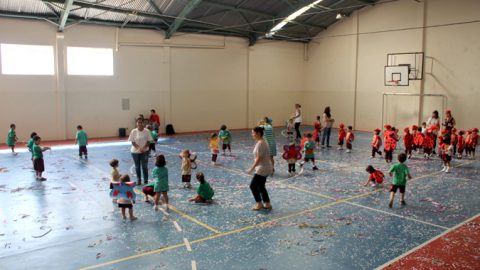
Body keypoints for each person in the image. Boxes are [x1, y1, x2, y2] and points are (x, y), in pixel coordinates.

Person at [247, 126, 273, 211]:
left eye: (253, 133)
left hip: (262, 168)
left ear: (258, 133)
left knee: (253, 186)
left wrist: (251, 168)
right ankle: (267, 203)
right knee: (261, 186)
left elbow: (259, 158)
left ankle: (259, 203)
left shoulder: (261, 143)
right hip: (265, 167)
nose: (252, 135)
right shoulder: (261, 142)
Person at [128, 118, 152, 185]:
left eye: (141, 122)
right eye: (138, 122)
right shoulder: (133, 131)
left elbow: (149, 141)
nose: (140, 124)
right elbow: (133, 142)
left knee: (144, 166)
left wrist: (144, 148)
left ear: (143, 123)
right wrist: (139, 148)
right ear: (136, 123)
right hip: (135, 152)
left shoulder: (147, 131)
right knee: (137, 167)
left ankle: (146, 181)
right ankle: (139, 180)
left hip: (145, 151)